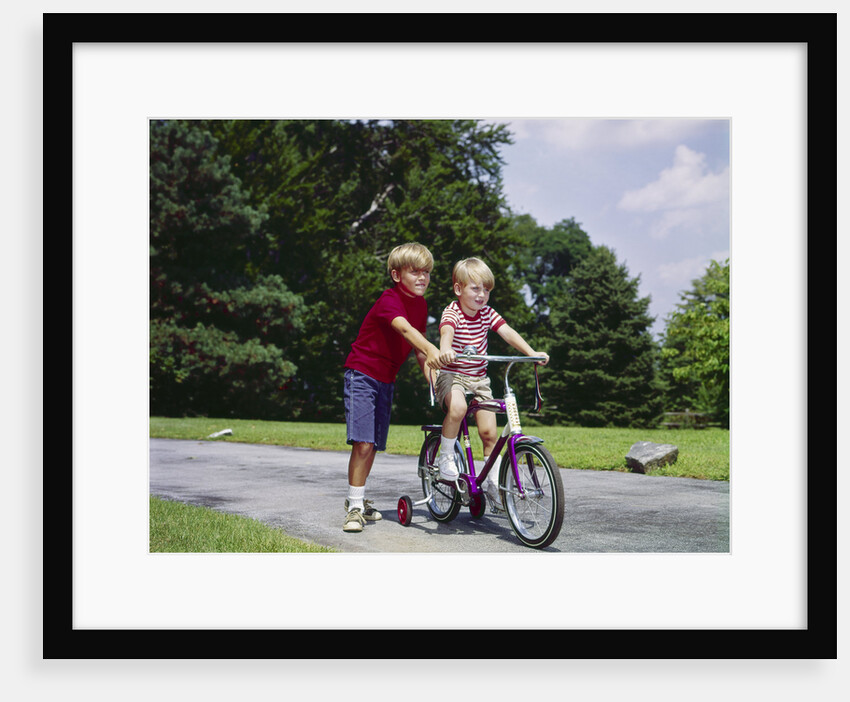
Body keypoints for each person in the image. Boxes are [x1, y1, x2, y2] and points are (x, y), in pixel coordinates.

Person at [342, 242, 442, 533]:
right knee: (363, 442)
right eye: (415, 272)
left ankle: (357, 499)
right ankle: (354, 508)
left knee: (373, 445)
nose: (422, 277)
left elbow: (420, 351)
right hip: (362, 374)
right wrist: (433, 348)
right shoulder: (390, 299)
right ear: (397, 275)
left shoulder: (420, 305)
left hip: (387, 379)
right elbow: (405, 330)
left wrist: (436, 384)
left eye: (426, 272)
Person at [434, 257, 549, 509]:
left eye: (486, 290)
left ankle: (493, 484)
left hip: (479, 379)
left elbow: (507, 332)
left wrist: (531, 353)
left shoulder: (487, 313)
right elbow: (447, 331)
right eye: (475, 288)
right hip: (453, 375)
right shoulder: (452, 311)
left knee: (490, 434)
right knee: (458, 408)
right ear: (458, 289)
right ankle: (445, 457)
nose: (482, 295)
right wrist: (445, 349)